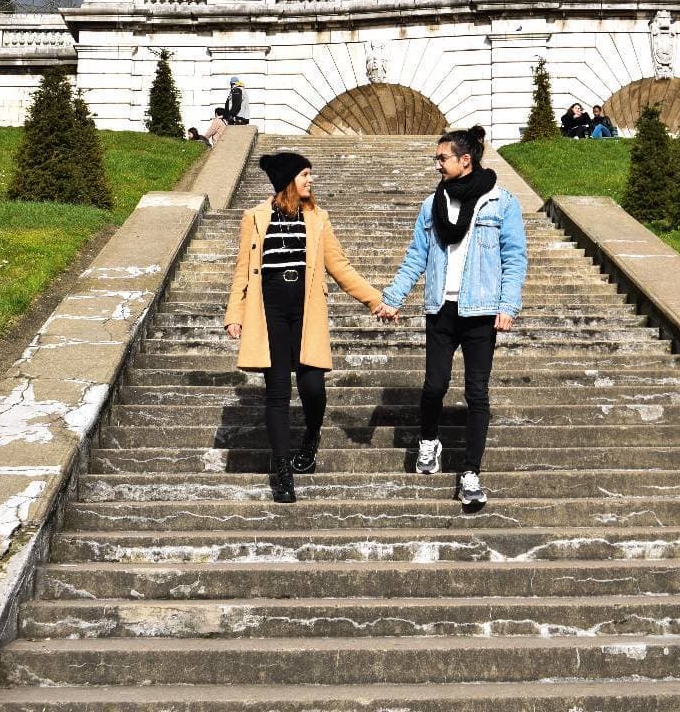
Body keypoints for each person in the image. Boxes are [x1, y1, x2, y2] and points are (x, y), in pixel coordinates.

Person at [374, 126, 527, 511]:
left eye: (442, 158)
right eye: (436, 158)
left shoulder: (501, 202)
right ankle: (429, 441)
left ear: (465, 160)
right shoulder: (432, 204)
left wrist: (507, 306)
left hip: (480, 311)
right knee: (434, 386)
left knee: (477, 393)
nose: (436, 164)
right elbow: (416, 255)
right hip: (440, 308)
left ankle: (471, 473)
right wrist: (393, 298)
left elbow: (514, 258)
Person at [224, 152, 390, 503]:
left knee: (313, 387)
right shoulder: (254, 217)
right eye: (304, 174)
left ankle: (311, 436)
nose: (310, 180)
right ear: (288, 179)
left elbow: (340, 266)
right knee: (278, 393)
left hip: (305, 310)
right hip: (268, 311)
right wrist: (234, 314)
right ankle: (283, 472)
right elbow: (242, 270)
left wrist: (374, 300)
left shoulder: (317, 219)